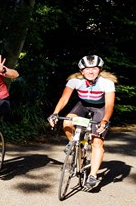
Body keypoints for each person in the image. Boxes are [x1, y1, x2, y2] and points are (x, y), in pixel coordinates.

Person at [47, 55, 116, 190]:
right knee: (66, 122)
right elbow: (64, 98)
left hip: (100, 108)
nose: (91, 72)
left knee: (97, 141)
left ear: (100, 70)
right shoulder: (74, 81)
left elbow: (109, 105)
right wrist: (55, 113)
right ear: (82, 71)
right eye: (87, 69)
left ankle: (93, 176)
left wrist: (104, 120)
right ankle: (73, 143)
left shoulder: (107, 82)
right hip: (83, 105)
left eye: (95, 68)